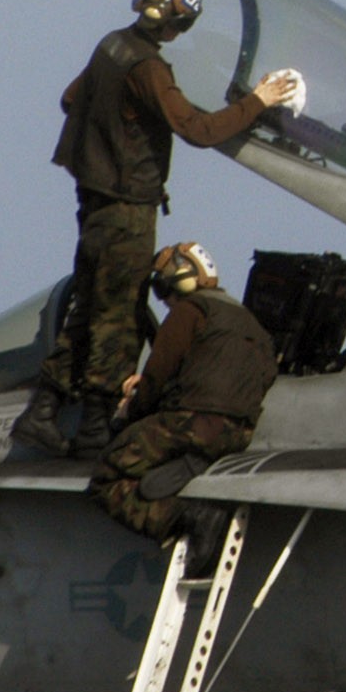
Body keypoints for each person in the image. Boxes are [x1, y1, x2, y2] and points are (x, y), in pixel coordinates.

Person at [11, 0, 295, 458]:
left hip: (93, 201)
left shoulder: (112, 47)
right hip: (126, 208)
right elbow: (200, 130)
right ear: (178, 24)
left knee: (90, 308)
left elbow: (71, 98)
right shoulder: (149, 69)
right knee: (118, 317)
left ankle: (42, 413)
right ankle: (96, 430)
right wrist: (258, 102)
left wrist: (117, 126)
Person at [88, 242, 278, 570]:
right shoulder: (253, 326)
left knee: (108, 475)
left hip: (190, 425)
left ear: (178, 282)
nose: (164, 301)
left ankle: (185, 515)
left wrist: (130, 410)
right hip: (237, 435)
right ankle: (189, 464)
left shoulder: (189, 312)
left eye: (163, 288)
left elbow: (157, 376)